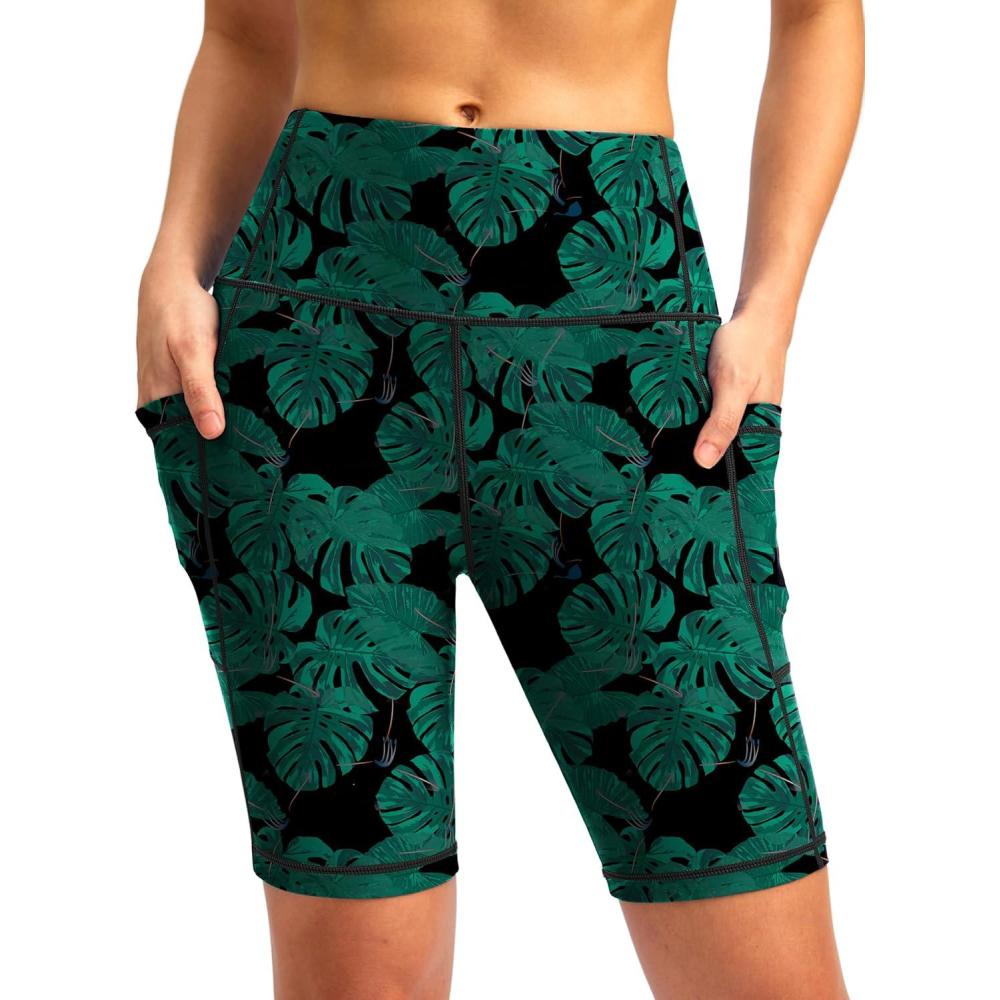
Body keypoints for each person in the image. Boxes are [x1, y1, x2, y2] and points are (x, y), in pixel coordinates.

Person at [133, 1, 863, 996]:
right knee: (358, 970)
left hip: (619, 335)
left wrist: (770, 310)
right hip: (319, 323)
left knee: (750, 924)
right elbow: (245, 33)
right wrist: (173, 262)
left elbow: (818, 15)